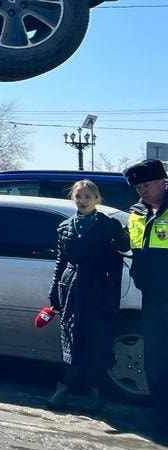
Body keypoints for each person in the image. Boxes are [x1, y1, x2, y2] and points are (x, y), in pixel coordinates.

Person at [45, 179, 128, 413]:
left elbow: (116, 266)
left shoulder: (108, 226)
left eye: (87, 197)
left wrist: (111, 301)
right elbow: (60, 262)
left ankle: (94, 394)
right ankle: (62, 392)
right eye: (78, 197)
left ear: (97, 199)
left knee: (96, 345)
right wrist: (54, 292)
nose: (82, 201)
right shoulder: (64, 226)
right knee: (72, 343)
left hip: (97, 290)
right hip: (71, 290)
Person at [124, 158, 168, 407]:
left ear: (162, 181)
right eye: (138, 187)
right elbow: (134, 247)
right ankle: (161, 415)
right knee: (156, 358)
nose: (142, 190)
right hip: (151, 297)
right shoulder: (137, 212)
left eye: (147, 185)